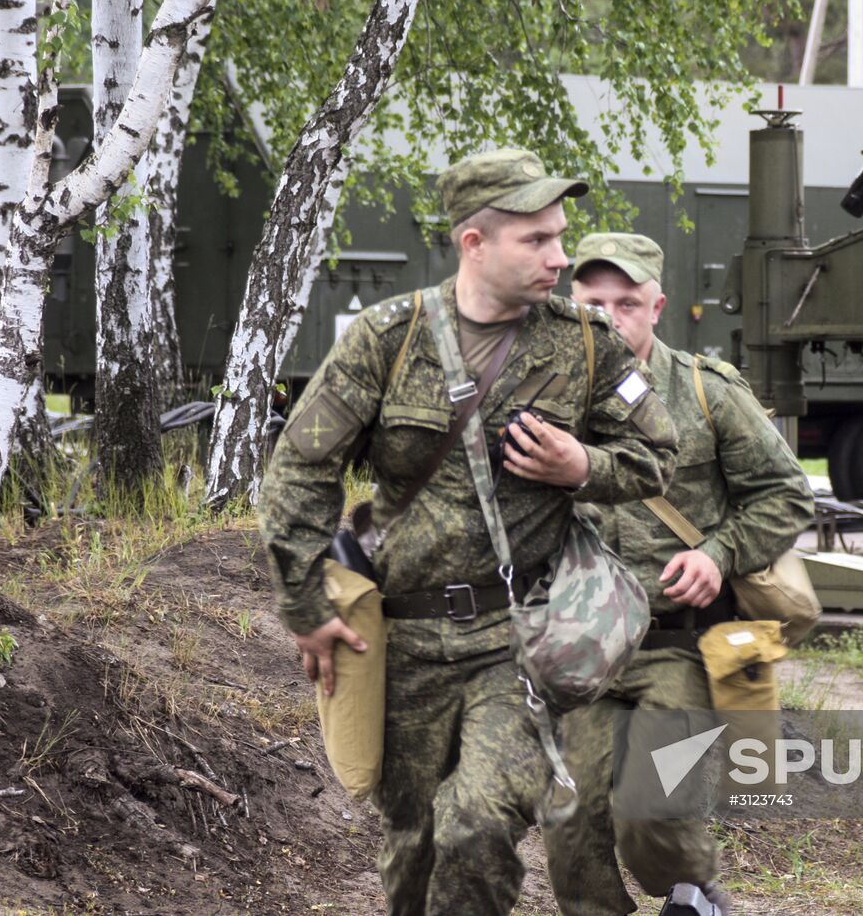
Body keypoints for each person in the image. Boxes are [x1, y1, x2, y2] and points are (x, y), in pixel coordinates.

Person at [257, 151, 679, 915]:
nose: (559, 256)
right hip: (405, 639)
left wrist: (583, 464)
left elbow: (660, 453)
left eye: (560, 236)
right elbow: (298, 471)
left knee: (477, 823)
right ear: (474, 243)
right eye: (536, 240)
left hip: (518, 637)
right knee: (414, 843)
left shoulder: (584, 342)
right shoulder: (387, 339)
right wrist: (304, 604)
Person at [543, 232, 814, 914]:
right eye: (592, 300)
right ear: (568, 301)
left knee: (653, 809)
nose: (607, 316)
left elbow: (787, 496)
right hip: (581, 645)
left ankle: (696, 894)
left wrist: (716, 554)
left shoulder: (706, 391)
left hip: (682, 643)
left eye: (626, 301)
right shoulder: (542, 401)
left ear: (658, 305)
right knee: (570, 824)